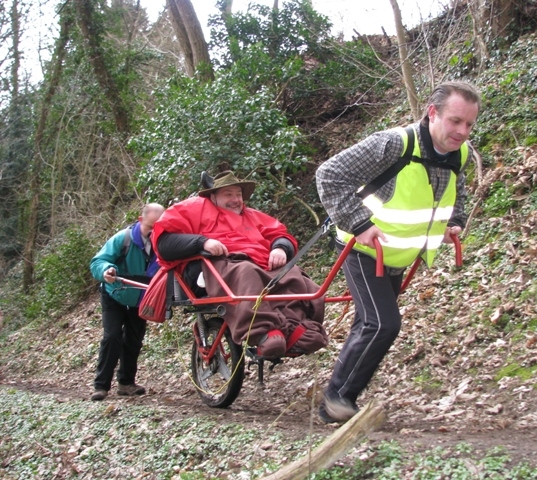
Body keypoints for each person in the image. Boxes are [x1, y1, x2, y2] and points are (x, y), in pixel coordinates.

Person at [315, 81, 481, 423]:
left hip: (400, 255)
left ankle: (340, 396)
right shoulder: (395, 144)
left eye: (469, 124)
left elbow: (456, 191)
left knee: (370, 323)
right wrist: (360, 225)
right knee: (383, 324)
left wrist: (455, 221)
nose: (462, 132)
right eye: (455, 121)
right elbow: (329, 175)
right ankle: (336, 401)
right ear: (432, 113)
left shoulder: (459, 154)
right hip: (361, 249)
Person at [152, 170, 327, 359]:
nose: (235, 200)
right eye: (228, 194)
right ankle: (262, 333)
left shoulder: (252, 215)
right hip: (217, 266)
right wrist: (202, 242)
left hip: (260, 264)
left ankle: (298, 330)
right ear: (213, 196)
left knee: (292, 274)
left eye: (238, 194)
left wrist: (280, 248)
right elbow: (164, 243)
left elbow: (280, 234)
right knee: (247, 272)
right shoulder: (193, 209)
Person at [89, 203, 165, 401]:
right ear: (141, 220)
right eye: (151, 226)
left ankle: (126, 383)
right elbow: (98, 261)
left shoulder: (163, 242)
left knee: (134, 340)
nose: (154, 231)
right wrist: (107, 270)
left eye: (160, 226)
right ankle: (101, 385)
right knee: (112, 336)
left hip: (141, 298)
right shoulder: (124, 238)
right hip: (115, 294)